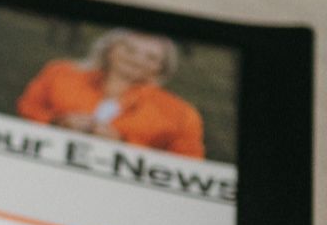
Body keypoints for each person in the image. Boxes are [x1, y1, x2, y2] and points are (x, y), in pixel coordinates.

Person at [15, 28, 205, 158]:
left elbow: (188, 164)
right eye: (129, 49)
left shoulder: (180, 113)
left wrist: (123, 145)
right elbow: (27, 108)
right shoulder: (61, 73)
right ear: (109, 49)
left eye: (151, 57)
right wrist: (57, 122)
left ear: (161, 68)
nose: (137, 59)